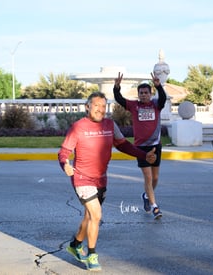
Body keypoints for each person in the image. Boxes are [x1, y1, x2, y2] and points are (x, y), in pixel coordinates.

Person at [58, 91, 156, 271]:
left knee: (89, 216)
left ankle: (75, 245)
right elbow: (64, 152)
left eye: (103, 106)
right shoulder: (78, 127)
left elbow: (123, 144)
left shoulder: (110, 125)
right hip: (82, 178)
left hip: (101, 178)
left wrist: (143, 155)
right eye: (96, 106)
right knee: (96, 215)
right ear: (87, 107)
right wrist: (64, 163)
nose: (100, 110)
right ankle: (92, 255)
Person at [113, 72, 166, 219]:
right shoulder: (134, 106)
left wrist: (159, 86)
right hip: (140, 148)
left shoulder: (156, 104)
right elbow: (119, 99)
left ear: (150, 94)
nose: (143, 95)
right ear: (138, 94)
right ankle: (155, 207)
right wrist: (117, 87)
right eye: (141, 93)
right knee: (148, 178)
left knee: (155, 178)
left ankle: (146, 195)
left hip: (155, 146)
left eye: (146, 93)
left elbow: (163, 98)